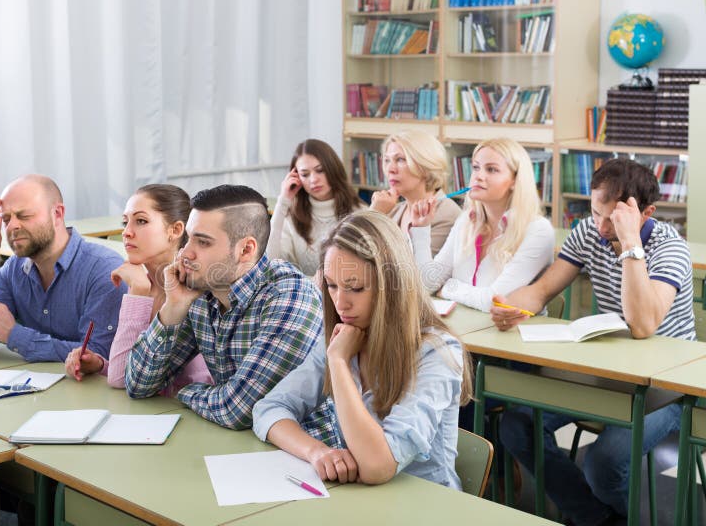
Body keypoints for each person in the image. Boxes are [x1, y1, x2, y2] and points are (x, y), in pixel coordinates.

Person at [495, 158, 695, 525]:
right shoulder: (589, 231)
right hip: (607, 371)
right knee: (516, 425)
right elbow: (542, 291)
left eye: (612, 219)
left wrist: (631, 242)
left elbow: (642, 324)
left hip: (665, 387)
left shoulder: (670, 249)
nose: (600, 227)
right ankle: (598, 518)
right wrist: (506, 306)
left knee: (604, 464)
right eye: (594, 212)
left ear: (645, 212)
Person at [253, 210, 473, 487]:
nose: (340, 303)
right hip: (361, 502)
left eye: (355, 288)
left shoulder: (436, 353)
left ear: (392, 286)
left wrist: (338, 362)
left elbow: (377, 467)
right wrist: (317, 451)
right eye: (331, 286)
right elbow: (268, 409)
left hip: (425, 507)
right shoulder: (346, 336)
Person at [124, 185, 332, 434]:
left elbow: (238, 411)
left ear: (246, 250)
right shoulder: (202, 292)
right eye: (188, 238)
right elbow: (138, 384)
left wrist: (183, 392)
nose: (185, 253)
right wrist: (173, 306)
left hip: (307, 457)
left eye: (203, 242)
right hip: (234, 449)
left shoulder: (289, 295)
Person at [0, 174, 125, 362]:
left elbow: (99, 353)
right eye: (5, 219)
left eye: (24, 216)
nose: (12, 226)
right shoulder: (14, 268)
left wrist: (14, 334)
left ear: (57, 214)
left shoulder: (104, 271)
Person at [64, 184, 212, 392]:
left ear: (176, 230)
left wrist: (138, 293)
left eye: (141, 221)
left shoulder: (192, 292)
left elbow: (120, 379)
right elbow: (130, 373)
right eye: (125, 222)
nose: (126, 233)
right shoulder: (142, 283)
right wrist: (100, 365)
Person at [411, 138, 554, 311]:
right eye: (476, 167)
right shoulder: (466, 221)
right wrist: (421, 229)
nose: (479, 176)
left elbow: (494, 301)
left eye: (491, 170)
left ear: (515, 181)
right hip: (466, 329)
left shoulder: (538, 230)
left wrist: (449, 288)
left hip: (511, 334)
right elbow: (427, 284)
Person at [267, 139, 364, 276]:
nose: (313, 180)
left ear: (333, 169)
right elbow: (270, 262)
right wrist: (283, 201)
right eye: (305, 174)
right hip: (303, 295)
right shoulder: (291, 217)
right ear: (297, 177)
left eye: (320, 170)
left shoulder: (359, 212)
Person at [369, 130, 461, 257]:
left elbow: (411, 271)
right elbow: (355, 254)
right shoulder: (392, 210)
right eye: (387, 160)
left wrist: (374, 216)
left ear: (425, 165)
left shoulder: (447, 214)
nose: (390, 169)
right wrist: (374, 214)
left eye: (400, 159)